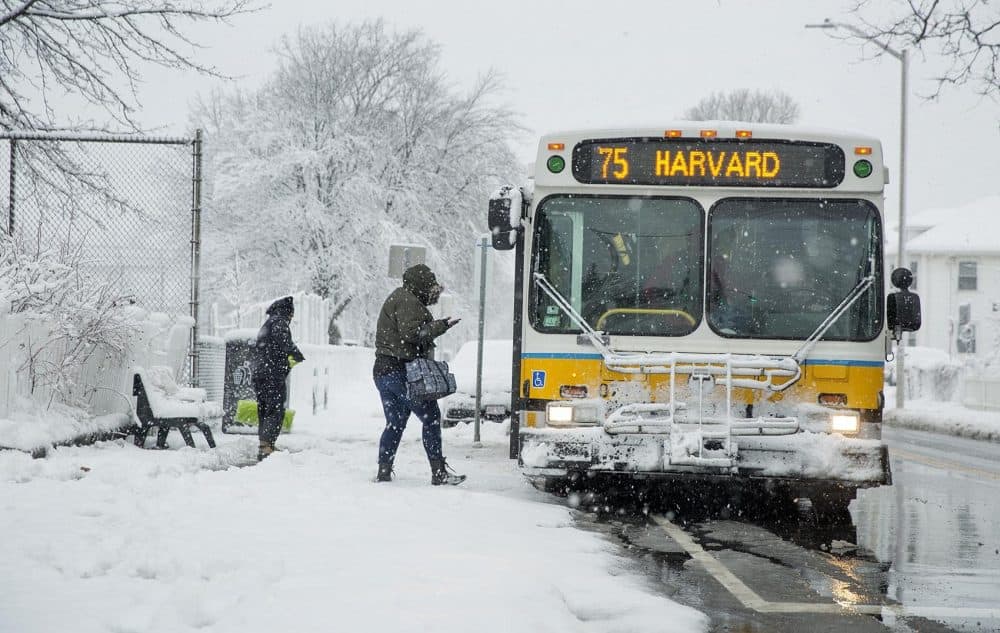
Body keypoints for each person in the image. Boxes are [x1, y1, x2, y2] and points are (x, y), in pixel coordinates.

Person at [373, 264, 465, 485]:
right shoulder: (408, 301)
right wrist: (439, 326)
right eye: (430, 285)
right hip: (401, 372)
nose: (434, 291)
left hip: (384, 370)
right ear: (420, 285)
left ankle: (384, 470)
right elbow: (411, 334)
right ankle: (438, 472)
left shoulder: (400, 297)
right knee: (431, 417)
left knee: (395, 422)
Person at [251, 296, 305, 461]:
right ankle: (267, 446)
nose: (291, 319)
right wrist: (295, 352)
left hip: (261, 373)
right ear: (288, 313)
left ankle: (265, 444)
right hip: (272, 374)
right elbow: (283, 341)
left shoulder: (268, 323)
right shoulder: (280, 322)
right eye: (292, 316)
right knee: (275, 409)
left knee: (264, 408)